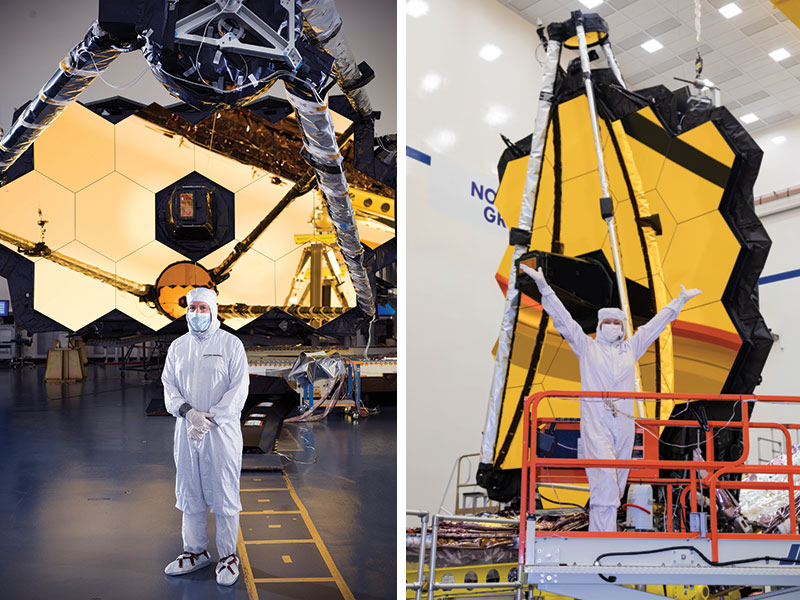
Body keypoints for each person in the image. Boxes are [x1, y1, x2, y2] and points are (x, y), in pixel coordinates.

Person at [520, 263, 702, 532]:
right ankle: (603, 537)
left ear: (623, 326)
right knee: (603, 476)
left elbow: (654, 327)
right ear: (599, 324)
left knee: (616, 482)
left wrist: (678, 302)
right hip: (596, 423)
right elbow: (563, 320)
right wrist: (544, 287)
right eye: (608, 322)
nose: (612, 326)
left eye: (617, 323)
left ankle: (604, 532)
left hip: (624, 424)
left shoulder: (631, 349)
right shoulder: (587, 347)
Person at [161, 287, 250, 586]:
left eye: (202, 308)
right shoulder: (178, 347)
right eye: (192, 308)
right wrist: (189, 413)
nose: (196, 313)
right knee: (190, 492)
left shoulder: (230, 344)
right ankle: (195, 551)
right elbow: (169, 387)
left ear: (213, 311)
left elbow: (238, 390)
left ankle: (228, 556)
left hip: (220, 434)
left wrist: (210, 419)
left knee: (224, 494)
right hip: (187, 431)